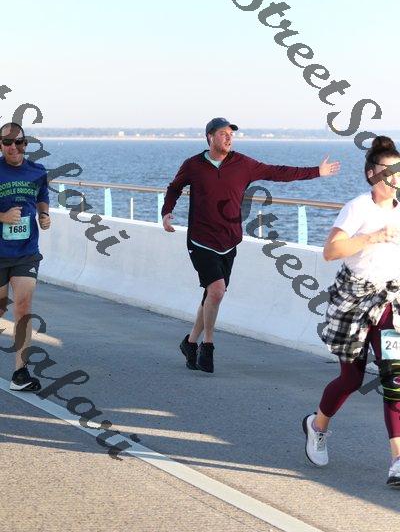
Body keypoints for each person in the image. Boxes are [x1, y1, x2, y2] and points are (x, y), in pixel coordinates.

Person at [162, 117, 340, 373]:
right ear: (210, 137)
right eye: (223, 134)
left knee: (212, 293)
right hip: (201, 240)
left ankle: (190, 343)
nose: (229, 138)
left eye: (231, 134)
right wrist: (167, 212)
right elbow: (174, 188)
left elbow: (277, 172)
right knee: (217, 291)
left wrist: (316, 171)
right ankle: (207, 346)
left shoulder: (243, 164)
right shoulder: (193, 165)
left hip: (229, 240)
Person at [302, 135, 400, 487]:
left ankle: (397, 460)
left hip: (388, 305)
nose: (395, 177)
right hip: (354, 302)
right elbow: (331, 251)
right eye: (388, 170)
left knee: (395, 378)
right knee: (351, 379)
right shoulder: (358, 207)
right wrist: (373, 237)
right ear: (372, 174)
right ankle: (317, 426)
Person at [0, 122, 50, 391]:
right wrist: (3, 217)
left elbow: (42, 196)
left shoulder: (37, 171)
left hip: (26, 253)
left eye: (18, 142)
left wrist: (44, 214)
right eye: (7, 142)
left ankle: (20, 372)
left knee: (22, 307)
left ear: (25, 144)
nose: (13, 147)